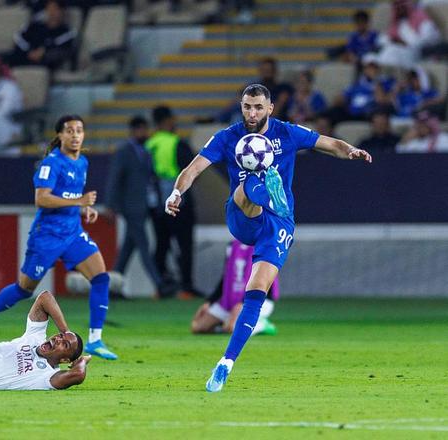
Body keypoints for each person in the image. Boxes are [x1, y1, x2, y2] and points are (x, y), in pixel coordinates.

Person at [164, 83, 372, 392]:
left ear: (270, 109)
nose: (252, 113)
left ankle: (225, 364)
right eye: (247, 107)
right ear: (241, 107)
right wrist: (176, 193)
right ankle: (262, 187)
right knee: (245, 187)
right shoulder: (227, 137)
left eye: (258, 107)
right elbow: (193, 169)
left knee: (257, 290)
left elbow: (329, 144)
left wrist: (350, 151)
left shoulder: (286, 132)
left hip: (278, 223)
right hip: (242, 216)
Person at [0, 115, 119, 360]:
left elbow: (71, 195)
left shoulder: (82, 162)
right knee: (24, 289)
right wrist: (79, 201)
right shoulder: (51, 163)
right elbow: (41, 199)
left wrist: (84, 208)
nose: (75, 135)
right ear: (59, 135)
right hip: (47, 236)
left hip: (72, 233)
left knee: (101, 278)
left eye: (79, 130)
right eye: (69, 130)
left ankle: (95, 339)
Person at [105, 116, 166, 295]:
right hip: (130, 206)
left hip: (145, 204)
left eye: (146, 129)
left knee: (128, 248)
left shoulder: (146, 151)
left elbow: (151, 178)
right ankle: (160, 284)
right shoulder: (124, 152)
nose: (145, 133)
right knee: (144, 246)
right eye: (141, 129)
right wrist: (110, 205)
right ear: (133, 131)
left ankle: (112, 288)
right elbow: (114, 179)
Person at [147, 105, 200, 298]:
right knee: (184, 245)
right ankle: (186, 287)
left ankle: (160, 286)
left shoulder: (148, 145)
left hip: (155, 204)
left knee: (161, 245)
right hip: (179, 202)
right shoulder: (176, 143)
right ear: (167, 121)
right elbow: (193, 172)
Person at [191, 240, 278, 335]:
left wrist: (244, 302)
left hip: (258, 300)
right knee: (198, 327)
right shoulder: (232, 245)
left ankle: (262, 325)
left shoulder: (264, 245)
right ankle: (226, 325)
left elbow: (264, 280)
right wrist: (210, 302)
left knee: (233, 328)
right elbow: (226, 277)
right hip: (230, 301)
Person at [1, 0, 76, 71]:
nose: (52, 12)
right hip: (27, 55)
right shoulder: (36, 26)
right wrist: (29, 51)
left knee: (48, 59)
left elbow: (64, 50)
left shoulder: (66, 32)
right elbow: (20, 39)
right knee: (2, 57)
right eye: (49, 8)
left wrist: (43, 52)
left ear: (62, 11)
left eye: (55, 9)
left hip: (46, 61)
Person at [216, 58, 294, 123]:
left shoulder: (284, 89)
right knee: (237, 116)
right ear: (260, 71)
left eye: (269, 70)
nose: (267, 73)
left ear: (275, 71)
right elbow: (237, 101)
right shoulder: (252, 87)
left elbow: (277, 110)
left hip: (275, 120)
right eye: (265, 70)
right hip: (253, 117)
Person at [374, 0, 441, 69]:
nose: (399, 7)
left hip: (416, 53)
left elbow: (430, 38)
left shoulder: (420, 18)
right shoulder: (398, 22)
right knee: (376, 56)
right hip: (398, 50)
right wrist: (393, 41)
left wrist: (406, 43)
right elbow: (382, 39)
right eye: (396, 5)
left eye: (401, 4)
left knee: (391, 54)